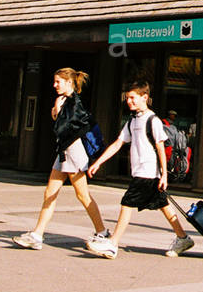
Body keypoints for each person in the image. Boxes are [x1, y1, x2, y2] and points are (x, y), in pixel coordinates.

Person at [83, 81, 194, 259]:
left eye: (133, 98)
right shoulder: (133, 120)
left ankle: (112, 244)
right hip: (142, 172)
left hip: (148, 172)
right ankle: (183, 238)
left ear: (144, 97)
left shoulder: (153, 120)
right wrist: (99, 162)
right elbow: (119, 143)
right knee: (162, 204)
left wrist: (164, 175)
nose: (129, 101)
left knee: (127, 203)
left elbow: (160, 148)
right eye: (127, 98)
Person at [13, 68, 108, 250]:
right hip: (65, 152)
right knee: (50, 192)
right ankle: (37, 234)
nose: (55, 85)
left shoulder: (74, 103)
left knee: (82, 194)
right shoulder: (64, 100)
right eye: (55, 81)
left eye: (58, 82)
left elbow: (63, 128)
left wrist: (56, 112)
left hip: (74, 153)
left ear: (69, 83)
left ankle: (102, 232)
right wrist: (57, 111)